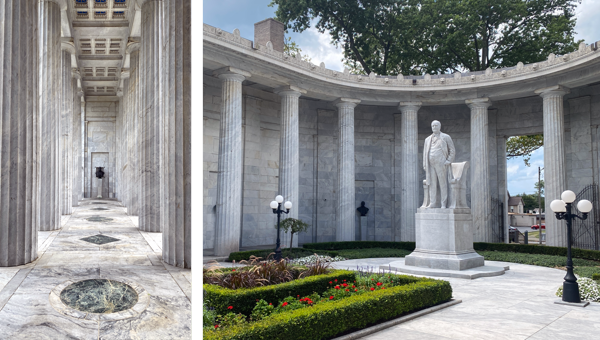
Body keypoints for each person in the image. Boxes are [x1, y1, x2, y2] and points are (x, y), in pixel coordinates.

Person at [423, 120, 455, 208]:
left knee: (442, 183)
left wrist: (448, 160)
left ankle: (443, 203)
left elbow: (452, 150)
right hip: (430, 164)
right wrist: (425, 164)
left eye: (436, 125)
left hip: (441, 162)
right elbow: (425, 152)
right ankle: (432, 202)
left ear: (440, 127)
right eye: (432, 126)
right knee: (432, 183)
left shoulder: (445, 137)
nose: (434, 127)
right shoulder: (427, 139)